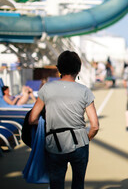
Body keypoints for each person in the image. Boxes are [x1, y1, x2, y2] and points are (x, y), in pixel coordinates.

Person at [29, 50, 99, 189]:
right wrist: (86, 138)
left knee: (56, 184)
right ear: (78, 69)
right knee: (78, 184)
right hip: (79, 143)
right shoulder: (84, 91)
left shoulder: (46, 89)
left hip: (54, 143)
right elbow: (95, 126)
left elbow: (32, 119)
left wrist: (47, 124)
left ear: (59, 68)